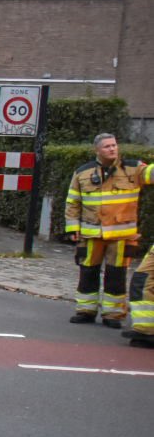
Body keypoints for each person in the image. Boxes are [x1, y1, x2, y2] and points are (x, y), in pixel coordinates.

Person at [64, 134, 151, 329]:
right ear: (97, 150)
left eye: (114, 145)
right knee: (87, 273)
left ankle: (113, 314)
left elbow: (151, 174)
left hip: (121, 237)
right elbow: (73, 202)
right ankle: (85, 310)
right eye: (107, 147)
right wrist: (72, 228)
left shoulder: (133, 169)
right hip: (91, 235)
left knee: (116, 275)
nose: (112, 149)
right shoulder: (82, 173)